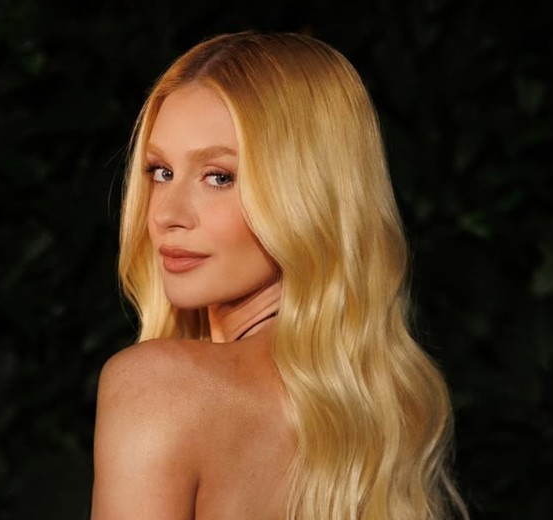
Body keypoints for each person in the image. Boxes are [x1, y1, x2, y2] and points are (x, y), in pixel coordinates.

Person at [91, 31, 468, 520]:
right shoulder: (386, 413)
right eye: (161, 171)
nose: (167, 214)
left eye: (219, 177)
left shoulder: (158, 387)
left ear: (307, 196)